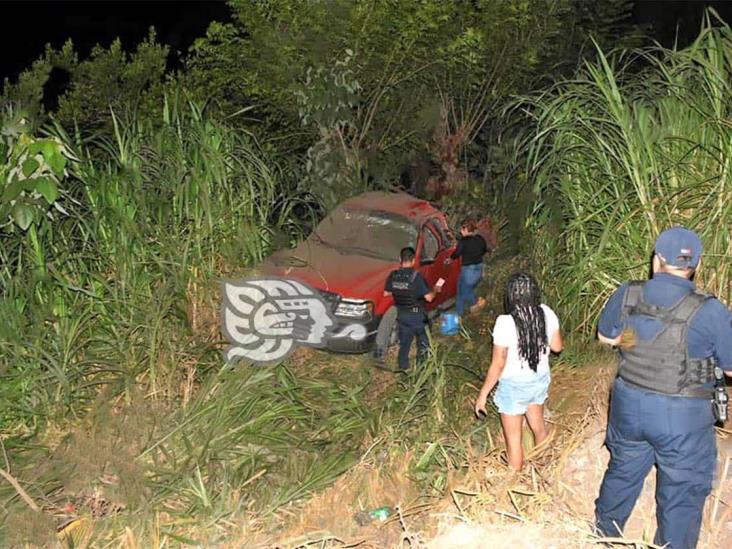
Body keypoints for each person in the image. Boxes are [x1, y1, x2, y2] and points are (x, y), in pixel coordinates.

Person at [594, 227, 732, 549]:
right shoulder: (710, 310)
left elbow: (605, 337)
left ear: (657, 260)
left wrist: (636, 340)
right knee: (682, 489)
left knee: (623, 470)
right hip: (681, 416)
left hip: (628, 404)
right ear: (694, 265)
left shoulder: (628, 293)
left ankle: (602, 534)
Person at [474, 272, 563, 470]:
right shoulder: (546, 313)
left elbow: (498, 364)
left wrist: (482, 395)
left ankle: (514, 481)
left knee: (514, 441)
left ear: (511, 296)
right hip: (539, 379)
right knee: (538, 427)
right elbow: (557, 347)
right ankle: (544, 466)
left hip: (514, 386)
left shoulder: (505, 322)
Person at [384, 247, 441, 371]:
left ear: (400, 259)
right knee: (423, 344)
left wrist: (400, 289)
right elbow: (429, 298)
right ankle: (421, 370)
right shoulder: (416, 277)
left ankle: (403, 368)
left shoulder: (393, 275)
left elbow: (386, 293)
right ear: (414, 260)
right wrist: (435, 290)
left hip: (402, 316)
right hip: (418, 317)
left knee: (404, 344)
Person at [451, 219, 488, 317]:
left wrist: (450, 258)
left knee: (466, 290)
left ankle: (476, 303)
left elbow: (457, 253)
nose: (460, 232)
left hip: (468, 270)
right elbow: (484, 249)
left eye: (462, 230)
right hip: (479, 268)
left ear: (466, 229)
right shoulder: (480, 238)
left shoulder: (463, 242)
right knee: (460, 289)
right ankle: (460, 313)